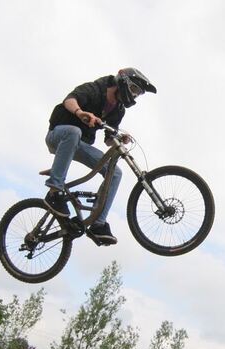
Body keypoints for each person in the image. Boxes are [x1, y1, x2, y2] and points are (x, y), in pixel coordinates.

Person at [43, 67, 157, 245]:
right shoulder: (95, 89)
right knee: (73, 132)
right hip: (59, 135)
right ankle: (54, 192)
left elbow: (108, 140)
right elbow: (69, 100)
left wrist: (119, 138)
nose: (134, 96)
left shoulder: (118, 110)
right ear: (123, 82)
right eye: (134, 90)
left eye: (138, 94)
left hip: (79, 145)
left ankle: (98, 223)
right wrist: (80, 113)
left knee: (116, 172)